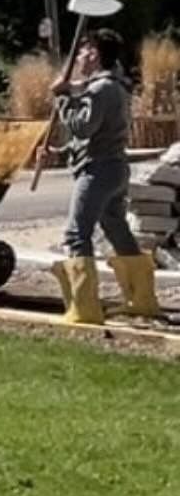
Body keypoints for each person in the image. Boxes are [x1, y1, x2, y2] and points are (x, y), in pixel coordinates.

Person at [52, 27, 160, 324]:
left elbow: (83, 127)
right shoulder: (113, 86)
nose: (80, 55)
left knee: (76, 234)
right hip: (113, 167)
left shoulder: (100, 89)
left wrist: (63, 98)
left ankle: (84, 308)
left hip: (98, 169)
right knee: (115, 226)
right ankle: (142, 299)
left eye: (86, 50)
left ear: (96, 54)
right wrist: (60, 147)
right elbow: (94, 131)